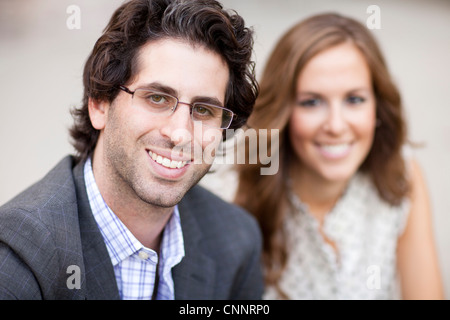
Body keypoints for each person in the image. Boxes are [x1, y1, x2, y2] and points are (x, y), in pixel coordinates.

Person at [0, 0, 263, 300]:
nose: (180, 133)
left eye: (204, 109)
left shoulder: (237, 240)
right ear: (99, 104)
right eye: (157, 98)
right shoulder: (19, 253)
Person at [234, 13, 444, 299]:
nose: (335, 125)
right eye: (312, 102)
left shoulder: (402, 174)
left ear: (377, 109)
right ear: (284, 111)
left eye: (354, 99)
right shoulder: (235, 188)